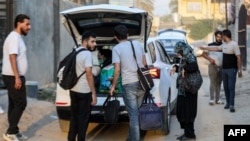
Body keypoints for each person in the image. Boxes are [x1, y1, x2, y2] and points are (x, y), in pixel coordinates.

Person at [110, 25, 146, 141]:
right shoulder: (137, 44)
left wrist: (113, 85)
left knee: (133, 115)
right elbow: (144, 63)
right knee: (135, 114)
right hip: (142, 84)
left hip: (129, 85)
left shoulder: (116, 49)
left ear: (116, 37)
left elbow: (117, 70)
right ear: (128, 35)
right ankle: (130, 138)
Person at [1, 14, 31, 141]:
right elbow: (12, 57)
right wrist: (17, 78)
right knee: (21, 103)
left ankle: (15, 131)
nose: (29, 27)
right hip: (13, 76)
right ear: (19, 23)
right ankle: (10, 132)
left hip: (14, 75)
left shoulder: (17, 37)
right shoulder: (14, 38)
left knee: (14, 104)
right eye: (27, 24)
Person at [200, 29, 242, 113]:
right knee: (225, 87)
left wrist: (240, 70)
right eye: (219, 36)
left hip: (232, 70)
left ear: (225, 36)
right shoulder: (224, 45)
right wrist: (204, 48)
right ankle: (227, 103)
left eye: (222, 35)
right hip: (224, 69)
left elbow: (239, 58)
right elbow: (215, 48)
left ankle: (232, 105)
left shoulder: (234, 45)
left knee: (231, 87)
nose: (221, 37)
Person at [67, 31, 97, 141]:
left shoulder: (75, 51)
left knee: (74, 117)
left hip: (73, 90)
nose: (95, 44)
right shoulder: (87, 54)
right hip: (84, 92)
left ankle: (70, 138)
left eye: (95, 42)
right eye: (92, 41)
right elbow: (89, 73)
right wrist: (93, 93)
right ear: (85, 41)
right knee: (83, 119)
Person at [174, 41, 199, 141]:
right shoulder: (185, 56)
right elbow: (184, 67)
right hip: (184, 89)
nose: (177, 53)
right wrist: (176, 68)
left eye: (178, 51)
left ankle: (190, 135)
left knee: (187, 112)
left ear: (182, 49)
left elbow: (194, 66)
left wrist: (184, 68)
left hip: (189, 88)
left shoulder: (189, 55)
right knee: (182, 111)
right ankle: (187, 133)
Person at [202, 30, 224, 105]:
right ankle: (211, 99)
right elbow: (204, 54)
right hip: (212, 66)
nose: (219, 38)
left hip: (221, 66)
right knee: (212, 82)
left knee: (219, 82)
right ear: (215, 37)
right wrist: (210, 59)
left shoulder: (224, 45)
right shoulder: (210, 45)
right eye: (218, 37)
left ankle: (217, 99)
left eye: (221, 37)